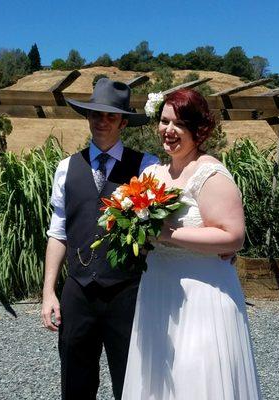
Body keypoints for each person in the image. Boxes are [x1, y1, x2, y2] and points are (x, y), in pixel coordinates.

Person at [122, 89, 262, 399]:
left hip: (202, 297)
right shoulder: (151, 174)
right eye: (163, 121)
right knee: (159, 379)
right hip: (158, 290)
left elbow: (233, 236)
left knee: (195, 378)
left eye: (179, 124)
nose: (168, 131)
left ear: (198, 131)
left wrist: (167, 233)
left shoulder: (210, 174)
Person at [41, 78, 159, 400]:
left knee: (132, 383)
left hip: (128, 294)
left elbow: (165, 227)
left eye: (110, 116)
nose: (102, 121)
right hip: (78, 292)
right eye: (96, 114)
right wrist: (49, 291)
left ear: (123, 121)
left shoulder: (148, 167)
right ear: (88, 117)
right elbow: (58, 232)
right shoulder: (66, 168)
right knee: (75, 383)